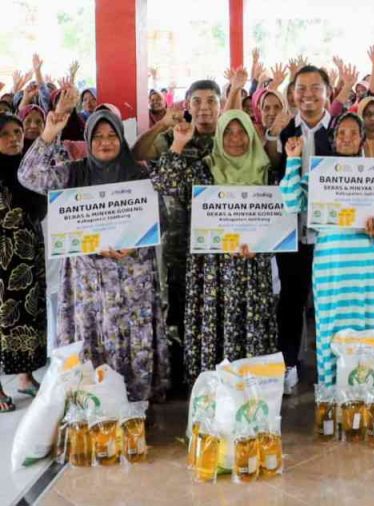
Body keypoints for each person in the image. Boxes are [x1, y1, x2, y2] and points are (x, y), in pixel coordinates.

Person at [19, 109, 168, 401]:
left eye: (112, 135)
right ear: (88, 140)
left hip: (131, 277)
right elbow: (28, 176)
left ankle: (134, 407)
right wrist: (49, 133)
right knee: (92, 337)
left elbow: (161, 217)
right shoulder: (73, 172)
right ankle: (96, 406)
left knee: (130, 341)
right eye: (97, 136)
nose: (105, 142)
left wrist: (136, 242)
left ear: (121, 139)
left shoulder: (139, 174)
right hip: (87, 279)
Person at [148, 111, 279, 382]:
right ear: (219, 136)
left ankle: (251, 391)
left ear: (251, 136)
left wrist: (263, 243)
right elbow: (165, 183)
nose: (235, 138)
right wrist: (179, 144)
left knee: (249, 323)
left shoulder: (265, 170)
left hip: (251, 267)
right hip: (213, 270)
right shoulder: (204, 168)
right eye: (228, 132)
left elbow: (280, 219)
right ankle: (214, 391)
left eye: (241, 131)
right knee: (216, 322)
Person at [281, 113, 374, 387]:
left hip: (369, 265)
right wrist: (294, 159)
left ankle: (371, 398)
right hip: (333, 264)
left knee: (371, 326)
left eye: (354, 133)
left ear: (362, 139)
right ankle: (333, 395)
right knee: (334, 327)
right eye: (341, 133)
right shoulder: (319, 175)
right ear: (332, 139)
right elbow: (291, 202)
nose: (347, 138)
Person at [133, 79, 220, 392]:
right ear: (187, 105)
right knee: (178, 302)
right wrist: (161, 125)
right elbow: (138, 154)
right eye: (197, 101)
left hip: (216, 241)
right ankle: (181, 376)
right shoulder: (175, 135)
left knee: (211, 304)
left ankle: (211, 368)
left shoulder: (230, 138)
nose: (204, 107)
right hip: (176, 237)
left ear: (221, 106)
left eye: (211, 101)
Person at [271, 65, 334, 392]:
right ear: (292, 93)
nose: (308, 94)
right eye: (301, 88)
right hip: (292, 231)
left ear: (328, 92)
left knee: (328, 299)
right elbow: (273, 177)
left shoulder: (340, 130)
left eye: (315, 88)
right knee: (291, 301)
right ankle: (289, 363)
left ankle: (332, 366)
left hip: (330, 236)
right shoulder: (284, 132)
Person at [0, 114, 47, 412]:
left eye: (18, 132)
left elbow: (40, 210)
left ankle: (25, 378)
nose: (15, 137)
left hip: (28, 255)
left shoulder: (28, 169)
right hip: (3, 260)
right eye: (5, 134)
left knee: (28, 316)